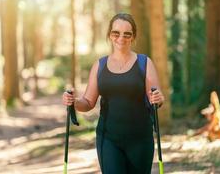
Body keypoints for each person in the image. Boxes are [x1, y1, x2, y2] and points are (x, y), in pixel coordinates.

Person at [62, 13, 165, 174]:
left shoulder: (144, 63)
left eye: (127, 34)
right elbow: (88, 102)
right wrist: (73, 101)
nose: (121, 38)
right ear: (110, 35)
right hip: (108, 139)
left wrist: (158, 98)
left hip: (140, 139)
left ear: (133, 37)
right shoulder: (100, 66)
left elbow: (156, 98)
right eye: (116, 33)